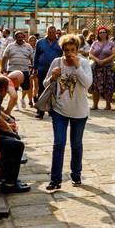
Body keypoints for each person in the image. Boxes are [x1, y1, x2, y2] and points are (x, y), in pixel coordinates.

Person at [43, 33, 93, 190]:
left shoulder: (84, 63)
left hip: (80, 111)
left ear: (77, 49)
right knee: (59, 144)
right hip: (60, 110)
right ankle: (55, 179)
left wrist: (77, 66)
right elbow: (45, 84)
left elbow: (87, 84)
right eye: (66, 50)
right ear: (62, 50)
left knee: (76, 144)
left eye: (72, 50)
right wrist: (52, 77)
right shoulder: (57, 62)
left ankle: (76, 175)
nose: (69, 53)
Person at [33, 26, 61, 120]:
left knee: (54, 90)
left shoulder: (60, 42)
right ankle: (40, 111)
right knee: (41, 89)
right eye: (50, 32)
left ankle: (51, 110)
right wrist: (34, 68)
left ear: (56, 33)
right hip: (42, 69)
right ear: (47, 32)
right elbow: (36, 56)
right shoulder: (40, 42)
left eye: (53, 32)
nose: (52, 34)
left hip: (56, 70)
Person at [3, 32, 35, 106]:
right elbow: (4, 57)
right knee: (14, 88)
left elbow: (32, 58)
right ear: (15, 38)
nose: (20, 38)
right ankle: (15, 103)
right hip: (12, 69)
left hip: (24, 70)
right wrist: (3, 68)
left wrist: (33, 68)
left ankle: (22, 98)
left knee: (26, 87)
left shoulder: (28, 46)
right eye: (18, 37)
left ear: (24, 38)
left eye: (22, 37)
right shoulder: (10, 46)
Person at [88, 26, 115, 110]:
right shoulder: (95, 43)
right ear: (98, 34)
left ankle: (108, 105)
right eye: (100, 32)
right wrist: (97, 60)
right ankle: (95, 105)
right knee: (95, 87)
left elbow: (113, 54)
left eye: (104, 32)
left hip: (108, 67)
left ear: (107, 33)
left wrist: (104, 61)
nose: (102, 33)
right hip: (97, 67)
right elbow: (90, 54)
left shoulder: (111, 43)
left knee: (108, 86)